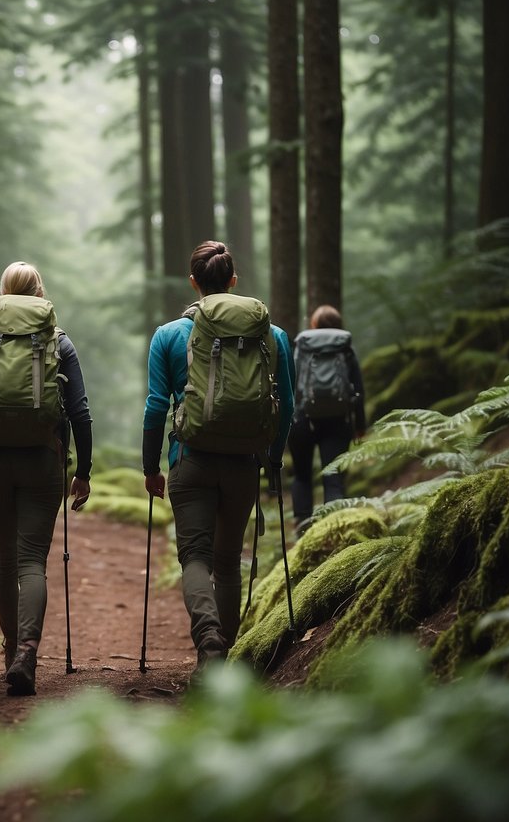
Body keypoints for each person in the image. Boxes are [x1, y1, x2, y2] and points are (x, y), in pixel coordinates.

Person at [0, 261, 92, 696]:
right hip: (43, 460)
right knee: (32, 560)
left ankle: (11, 649)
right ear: (40, 294)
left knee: (6, 558)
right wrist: (83, 471)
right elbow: (80, 411)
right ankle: (28, 647)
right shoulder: (58, 340)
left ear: (3, 292)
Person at [142, 241, 294, 670]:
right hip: (245, 462)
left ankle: (207, 639)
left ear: (194, 283)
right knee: (228, 563)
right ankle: (220, 664)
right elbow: (288, 406)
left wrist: (151, 466)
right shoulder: (274, 336)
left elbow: (156, 405)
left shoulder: (170, 336)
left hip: (190, 459)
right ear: (233, 281)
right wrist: (273, 458)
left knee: (195, 557)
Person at [289, 304, 367, 530]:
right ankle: (333, 531)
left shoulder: (302, 346)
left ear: (313, 325)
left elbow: (291, 383)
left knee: (302, 477)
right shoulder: (345, 347)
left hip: (302, 419)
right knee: (333, 478)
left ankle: (303, 531)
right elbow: (358, 390)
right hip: (338, 419)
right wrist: (359, 426)